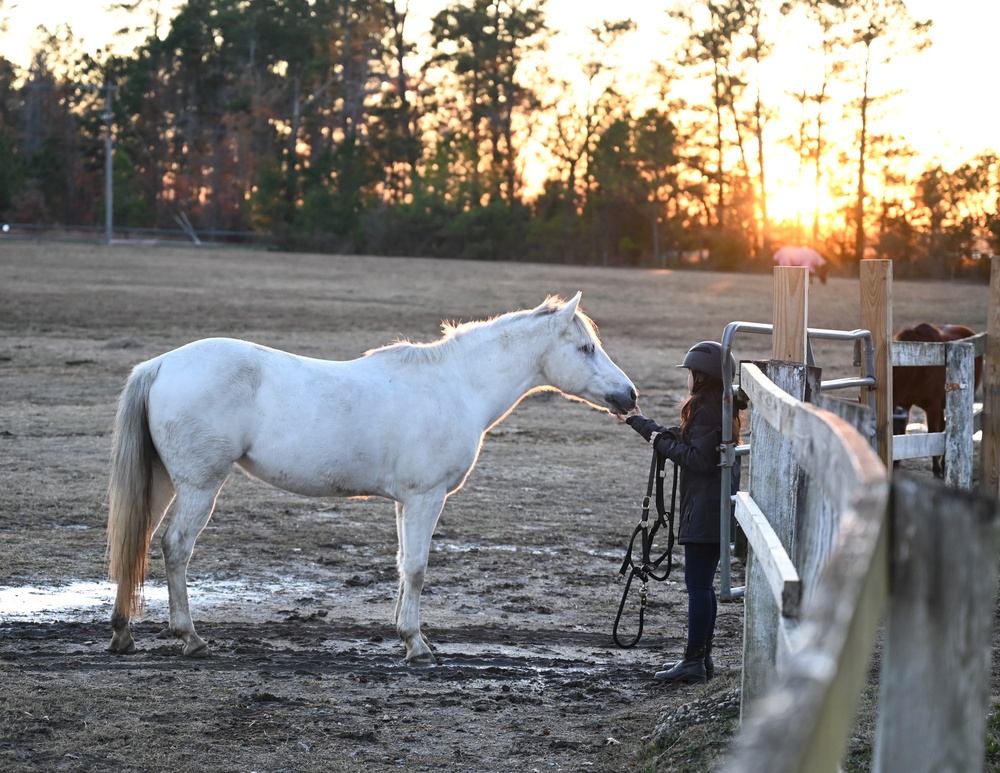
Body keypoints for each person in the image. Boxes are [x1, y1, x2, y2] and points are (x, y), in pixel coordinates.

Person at [617, 341, 744, 683]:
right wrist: (640, 423)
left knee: (698, 586)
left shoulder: (705, 408)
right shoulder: (721, 406)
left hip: (705, 509)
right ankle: (702, 660)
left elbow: (697, 460)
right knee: (703, 585)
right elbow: (686, 441)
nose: (688, 378)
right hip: (715, 507)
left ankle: (693, 661)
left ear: (701, 376)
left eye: (690, 372)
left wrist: (658, 441)